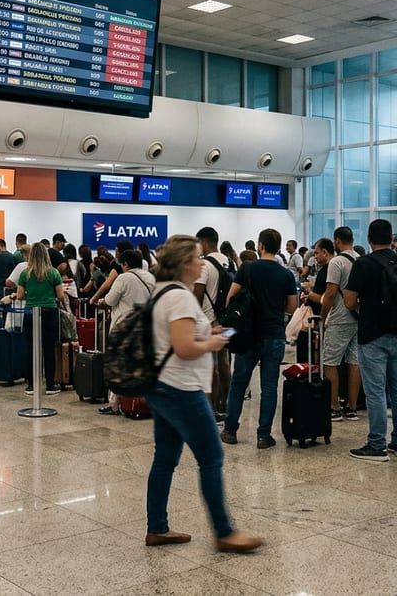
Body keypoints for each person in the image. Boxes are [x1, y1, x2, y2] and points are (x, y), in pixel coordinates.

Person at [142, 234, 262, 554]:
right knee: (212, 457)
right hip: (182, 389)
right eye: (197, 258)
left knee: (165, 458)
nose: (201, 263)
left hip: (161, 385)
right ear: (184, 264)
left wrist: (208, 331)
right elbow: (183, 348)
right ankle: (224, 532)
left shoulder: (161, 292)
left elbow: (173, 338)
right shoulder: (180, 296)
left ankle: (157, 527)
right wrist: (212, 343)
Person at [220, 228, 297, 450]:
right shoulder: (286, 275)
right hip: (273, 335)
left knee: (238, 383)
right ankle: (264, 436)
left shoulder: (248, 268)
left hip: (248, 334)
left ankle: (230, 430)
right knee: (270, 387)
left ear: (260, 245)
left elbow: (231, 297)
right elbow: (292, 307)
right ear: (279, 247)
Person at [343, 219, 397, 462]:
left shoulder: (364, 263)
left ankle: (377, 445)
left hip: (373, 333)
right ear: (392, 238)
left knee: (375, 391)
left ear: (369, 239)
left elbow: (349, 301)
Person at [98, 250, 155, 415]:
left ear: (125, 264)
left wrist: (101, 300)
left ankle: (115, 404)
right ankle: (142, 403)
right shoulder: (150, 277)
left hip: (123, 327)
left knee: (118, 365)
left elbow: (110, 300)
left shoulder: (124, 278)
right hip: (145, 326)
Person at [319, 226, 363, 421]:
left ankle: (333, 406)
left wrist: (322, 317)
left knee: (330, 361)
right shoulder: (362, 259)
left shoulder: (336, 262)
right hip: (359, 317)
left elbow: (330, 293)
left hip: (339, 318)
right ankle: (352, 407)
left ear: (337, 241)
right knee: (354, 362)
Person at [193, 227, 233, 422]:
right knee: (225, 364)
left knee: (211, 367)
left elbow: (197, 295)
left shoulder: (204, 265)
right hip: (226, 321)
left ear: (204, 242)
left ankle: (212, 408)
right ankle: (225, 404)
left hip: (209, 322)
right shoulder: (230, 261)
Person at [16, 243, 65, 395]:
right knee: (49, 350)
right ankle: (50, 385)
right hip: (49, 313)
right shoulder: (53, 273)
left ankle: (31, 385)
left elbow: (19, 295)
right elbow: (61, 295)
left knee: (31, 349)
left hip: (30, 313)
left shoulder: (25, 274)